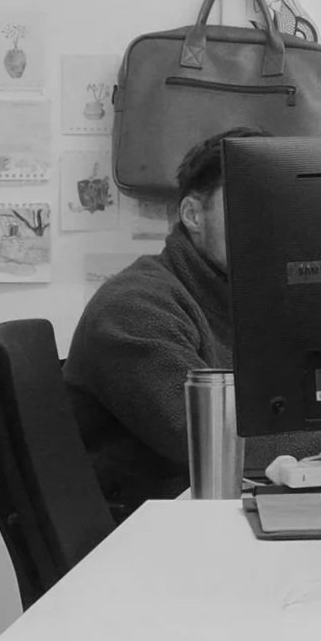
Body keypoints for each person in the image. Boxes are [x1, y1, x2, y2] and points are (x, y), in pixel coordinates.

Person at [64, 128, 257, 519]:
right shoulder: (133, 308)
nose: (265, 224)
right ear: (193, 215)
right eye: (249, 204)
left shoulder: (248, 298)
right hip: (150, 533)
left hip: (214, 514)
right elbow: (214, 442)